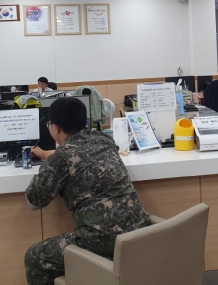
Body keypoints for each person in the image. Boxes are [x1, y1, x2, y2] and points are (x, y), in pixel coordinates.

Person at [24, 97, 151, 285]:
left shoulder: (59, 160)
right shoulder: (104, 140)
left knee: (34, 257)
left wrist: (49, 164)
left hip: (102, 240)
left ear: (55, 128)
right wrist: (48, 155)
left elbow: (34, 200)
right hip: (140, 232)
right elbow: (80, 150)